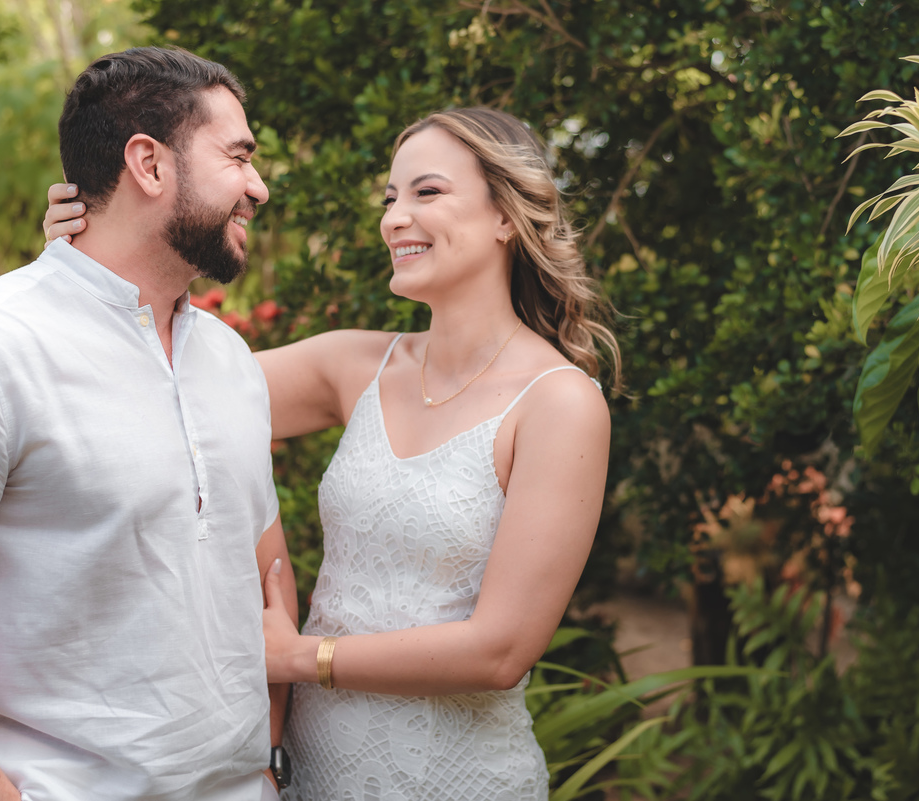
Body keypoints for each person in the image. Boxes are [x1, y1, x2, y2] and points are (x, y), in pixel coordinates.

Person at [44, 106, 617, 798]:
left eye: (426, 192)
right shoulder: (355, 366)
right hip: (312, 772)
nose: (395, 217)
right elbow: (156, 388)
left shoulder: (559, 402)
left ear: (506, 217)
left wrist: (298, 656)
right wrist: (87, 260)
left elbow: (499, 650)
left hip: (453, 776)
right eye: (390, 197)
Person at [0, 46, 298, 801]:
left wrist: (270, 758)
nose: (258, 187)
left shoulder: (232, 360)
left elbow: (265, 577)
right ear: (149, 163)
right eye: (239, 157)